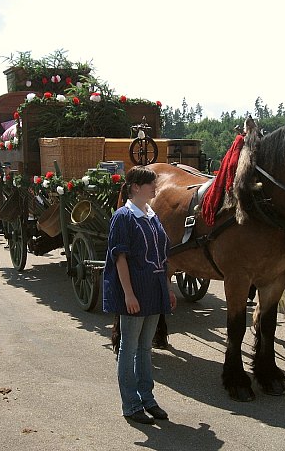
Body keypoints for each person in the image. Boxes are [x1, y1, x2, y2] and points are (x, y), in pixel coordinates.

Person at [102, 166, 177, 425]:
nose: (155, 188)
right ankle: (131, 404)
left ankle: (147, 398)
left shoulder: (152, 215)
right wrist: (129, 295)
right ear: (136, 187)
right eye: (150, 184)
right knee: (128, 348)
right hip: (135, 292)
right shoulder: (124, 217)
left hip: (154, 291)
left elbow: (162, 256)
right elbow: (119, 259)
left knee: (146, 348)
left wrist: (167, 288)